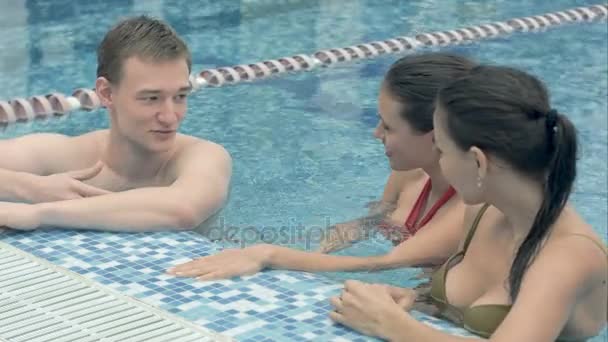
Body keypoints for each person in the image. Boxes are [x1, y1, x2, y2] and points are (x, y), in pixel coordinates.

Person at [328, 65, 607, 341]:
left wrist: (393, 325)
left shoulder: (567, 257)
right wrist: (416, 300)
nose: (440, 164)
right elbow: (465, 310)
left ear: (477, 162)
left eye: (444, 151)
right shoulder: (483, 211)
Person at [166, 53, 474, 280]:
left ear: (434, 138)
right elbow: (372, 221)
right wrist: (314, 251)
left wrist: (268, 254)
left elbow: (382, 262)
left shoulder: (467, 210)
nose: (375, 133)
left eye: (389, 127)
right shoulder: (409, 172)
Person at [0, 16, 231, 232]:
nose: (171, 117)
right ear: (107, 93)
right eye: (151, 98)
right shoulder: (68, 155)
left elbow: (184, 209)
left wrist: (37, 213)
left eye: (180, 96)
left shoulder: (204, 156)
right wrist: (28, 187)